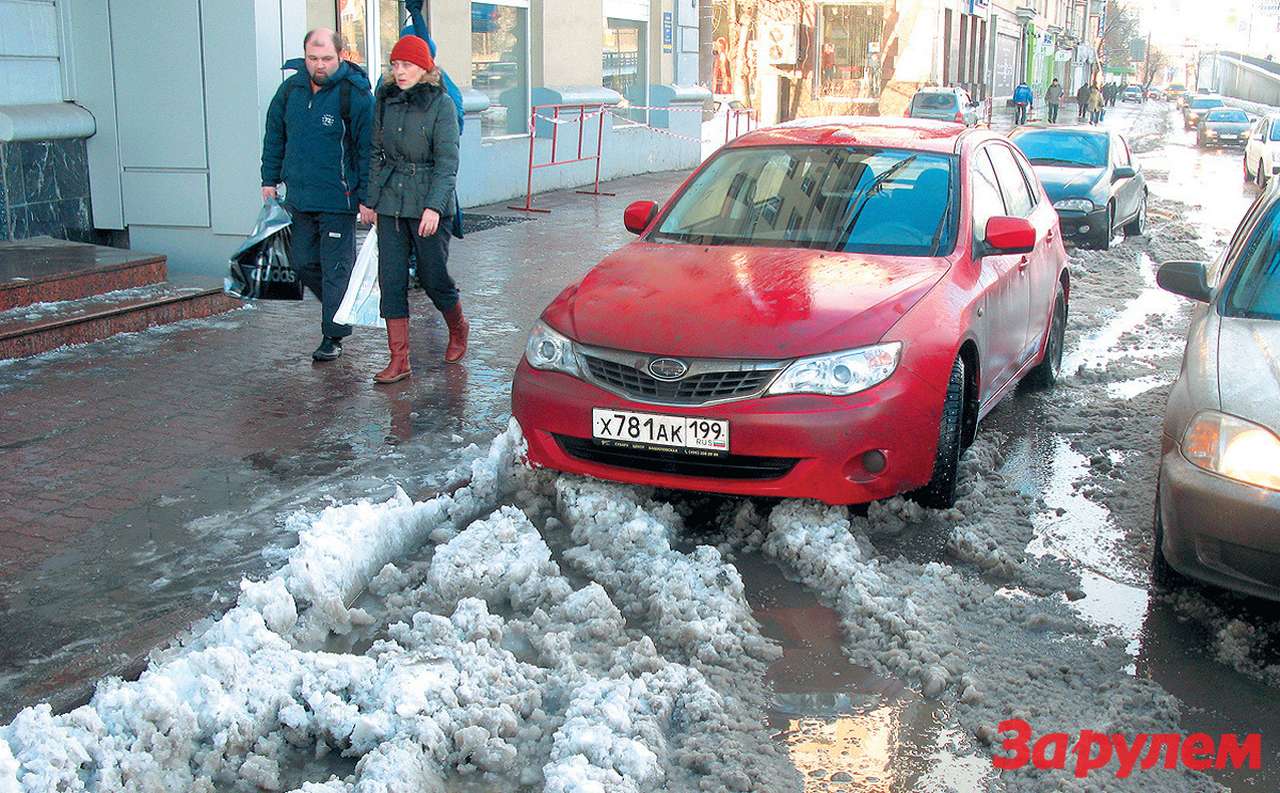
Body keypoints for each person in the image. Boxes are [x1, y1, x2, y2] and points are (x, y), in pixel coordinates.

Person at [261, 29, 375, 362]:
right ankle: (341, 305)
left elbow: (368, 150)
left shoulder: (354, 95)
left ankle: (332, 336)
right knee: (301, 262)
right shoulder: (290, 89)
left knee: (335, 268)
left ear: (341, 56)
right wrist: (269, 178)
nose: (319, 65)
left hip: (339, 200)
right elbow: (275, 135)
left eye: (326, 58)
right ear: (305, 57)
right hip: (299, 197)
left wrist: (367, 199)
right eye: (313, 58)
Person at [367, 35, 466, 384]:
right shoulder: (385, 101)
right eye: (395, 65)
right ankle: (399, 360)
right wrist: (370, 200)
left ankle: (458, 326)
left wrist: (434, 207)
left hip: (428, 200)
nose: (400, 71)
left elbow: (447, 162)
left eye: (407, 65)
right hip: (392, 201)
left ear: (425, 68)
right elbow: (375, 154)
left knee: (432, 275)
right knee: (391, 278)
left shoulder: (442, 105)